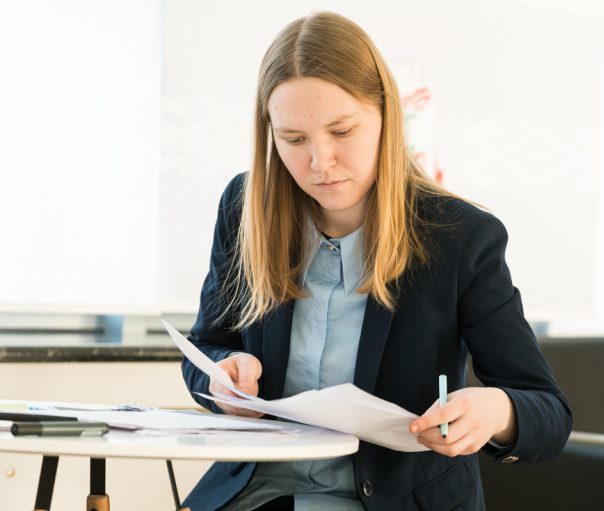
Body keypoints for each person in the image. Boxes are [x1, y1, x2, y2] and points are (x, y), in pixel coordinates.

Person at [181, 11, 572, 511]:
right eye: (294, 139)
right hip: (259, 497)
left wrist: (497, 410)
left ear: (388, 116)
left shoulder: (460, 236)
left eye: (342, 131)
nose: (320, 162)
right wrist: (221, 375)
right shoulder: (245, 207)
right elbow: (206, 347)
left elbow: (548, 412)